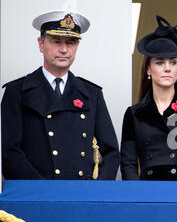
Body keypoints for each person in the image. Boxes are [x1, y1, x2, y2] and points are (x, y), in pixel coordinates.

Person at [1, 10, 120, 180]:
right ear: (41, 44)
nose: (64, 50)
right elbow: (9, 152)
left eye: (71, 43)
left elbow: (111, 153)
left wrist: (96, 192)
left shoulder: (92, 94)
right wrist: (42, 192)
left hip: (82, 196)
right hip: (36, 196)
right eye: (56, 42)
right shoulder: (17, 91)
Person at [120, 16, 177, 181]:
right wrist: (138, 195)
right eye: (160, 63)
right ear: (148, 69)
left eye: (173, 62)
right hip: (146, 193)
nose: (168, 68)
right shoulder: (134, 114)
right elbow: (128, 163)